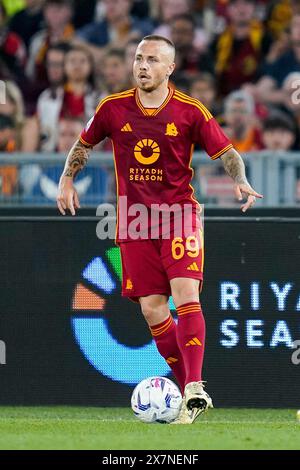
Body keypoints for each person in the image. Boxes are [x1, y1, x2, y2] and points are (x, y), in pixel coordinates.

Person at [57, 35, 262, 425]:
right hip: (134, 221)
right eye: (138, 58)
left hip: (179, 216)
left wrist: (240, 178)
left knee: (185, 295)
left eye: (152, 60)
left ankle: (196, 384)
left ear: (170, 68)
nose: (142, 66)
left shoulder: (190, 111)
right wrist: (67, 178)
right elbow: (82, 144)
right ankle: (189, 395)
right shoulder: (112, 108)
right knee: (153, 310)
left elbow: (228, 152)